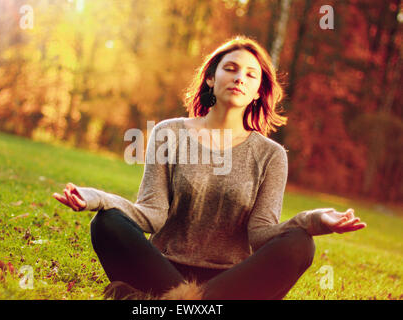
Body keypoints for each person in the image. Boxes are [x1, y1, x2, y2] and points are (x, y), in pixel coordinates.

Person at [53, 35, 366, 300]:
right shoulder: (169, 133)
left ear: (258, 91)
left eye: (250, 74)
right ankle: (182, 299)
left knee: (300, 244)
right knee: (106, 223)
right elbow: (150, 214)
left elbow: (260, 235)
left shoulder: (271, 155)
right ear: (210, 78)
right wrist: (95, 198)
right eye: (230, 69)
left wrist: (315, 220)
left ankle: (163, 302)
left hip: (231, 282)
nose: (239, 77)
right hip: (162, 269)